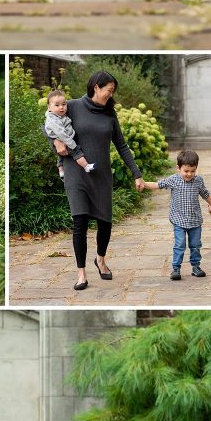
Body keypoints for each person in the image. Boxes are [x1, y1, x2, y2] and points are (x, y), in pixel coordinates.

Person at [46, 71, 145, 291]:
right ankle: (81, 274)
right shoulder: (71, 106)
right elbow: (50, 122)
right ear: (96, 87)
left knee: (105, 222)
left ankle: (100, 259)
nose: (111, 94)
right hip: (75, 171)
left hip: (101, 174)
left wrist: (137, 173)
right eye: (109, 90)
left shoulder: (110, 113)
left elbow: (121, 145)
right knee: (79, 222)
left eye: (113, 91)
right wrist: (54, 141)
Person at [142, 149, 211, 281]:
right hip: (179, 220)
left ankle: (196, 267)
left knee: (195, 245)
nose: (189, 174)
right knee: (180, 244)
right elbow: (159, 184)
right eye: (186, 171)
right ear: (178, 168)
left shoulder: (198, 181)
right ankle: (176, 268)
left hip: (195, 220)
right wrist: (144, 184)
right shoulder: (174, 180)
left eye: (192, 171)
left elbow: (204, 193)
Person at [44, 89, 95, 179]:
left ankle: (61, 171)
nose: (61, 107)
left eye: (64, 104)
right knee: (77, 152)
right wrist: (71, 143)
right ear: (49, 107)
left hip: (61, 141)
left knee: (60, 156)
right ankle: (86, 166)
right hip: (64, 141)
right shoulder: (53, 119)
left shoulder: (58, 115)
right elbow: (61, 133)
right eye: (57, 105)